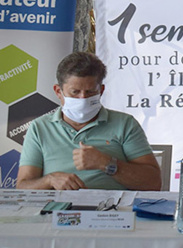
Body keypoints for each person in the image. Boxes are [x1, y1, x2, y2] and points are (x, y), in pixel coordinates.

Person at [17, 52, 162, 191]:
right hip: (56, 210)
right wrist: (50, 180)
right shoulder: (40, 128)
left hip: (111, 211)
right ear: (58, 92)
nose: (83, 99)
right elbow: (23, 186)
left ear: (101, 90)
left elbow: (153, 182)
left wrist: (107, 164)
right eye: (75, 92)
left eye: (90, 92)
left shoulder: (124, 124)